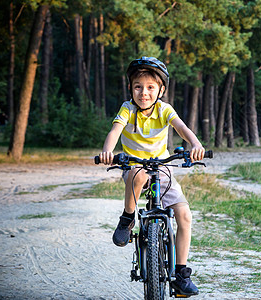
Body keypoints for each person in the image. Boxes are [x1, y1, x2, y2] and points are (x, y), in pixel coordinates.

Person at [98, 56, 204, 296]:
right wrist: (108, 151)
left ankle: (181, 274)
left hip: (162, 168)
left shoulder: (164, 110)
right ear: (130, 88)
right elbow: (115, 131)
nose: (143, 92)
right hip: (134, 165)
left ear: (161, 90)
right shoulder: (127, 109)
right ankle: (127, 218)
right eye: (138, 86)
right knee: (137, 174)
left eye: (150, 87)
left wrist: (196, 144)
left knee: (184, 215)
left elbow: (182, 128)